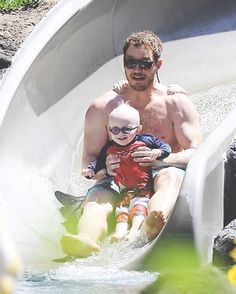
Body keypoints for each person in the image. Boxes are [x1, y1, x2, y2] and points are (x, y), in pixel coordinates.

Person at [60, 30, 202, 258]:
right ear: (124, 65)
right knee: (98, 197)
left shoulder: (175, 103)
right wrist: (105, 169)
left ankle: (149, 225)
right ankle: (86, 239)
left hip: (161, 174)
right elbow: (88, 161)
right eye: (131, 62)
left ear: (158, 64)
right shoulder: (103, 107)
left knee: (172, 176)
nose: (137, 70)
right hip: (119, 178)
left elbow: (197, 152)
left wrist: (163, 158)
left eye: (145, 63)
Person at [82, 103, 171, 242]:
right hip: (124, 191)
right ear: (109, 131)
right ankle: (119, 233)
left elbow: (166, 147)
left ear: (138, 129)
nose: (120, 134)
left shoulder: (145, 141)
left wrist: (157, 152)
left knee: (139, 208)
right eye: (115, 130)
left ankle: (136, 230)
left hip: (143, 189)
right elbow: (97, 162)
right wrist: (90, 170)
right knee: (121, 211)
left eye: (126, 129)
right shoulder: (109, 148)